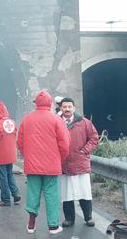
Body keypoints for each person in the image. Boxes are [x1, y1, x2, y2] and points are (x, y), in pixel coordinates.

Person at [17, 91, 70, 235]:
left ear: (36, 103)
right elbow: (65, 144)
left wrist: (27, 155)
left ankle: (31, 224)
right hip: (52, 165)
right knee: (51, 194)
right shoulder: (56, 120)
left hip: (32, 165)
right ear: (50, 103)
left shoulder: (26, 119)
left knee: (33, 193)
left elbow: (20, 142)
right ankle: (53, 226)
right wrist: (60, 158)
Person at [59, 97, 100, 228]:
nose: (67, 109)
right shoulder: (57, 122)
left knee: (84, 192)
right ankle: (69, 219)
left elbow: (94, 138)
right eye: (64, 107)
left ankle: (88, 217)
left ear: (73, 108)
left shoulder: (85, 122)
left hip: (80, 162)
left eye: (69, 107)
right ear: (61, 108)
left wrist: (84, 151)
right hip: (64, 164)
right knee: (66, 194)